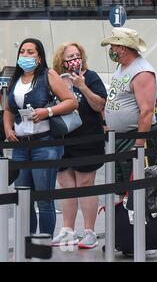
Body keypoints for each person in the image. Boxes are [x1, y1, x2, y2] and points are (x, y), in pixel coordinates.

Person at [3, 38, 77, 235]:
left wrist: (48, 112)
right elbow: (9, 109)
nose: (25, 55)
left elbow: (71, 102)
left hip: (45, 145)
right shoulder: (16, 79)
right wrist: (8, 129)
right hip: (20, 146)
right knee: (23, 198)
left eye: (30, 52)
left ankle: (43, 246)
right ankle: (26, 246)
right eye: (23, 52)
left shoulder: (48, 75)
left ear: (39, 57)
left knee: (44, 198)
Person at [50, 42, 107, 248]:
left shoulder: (90, 77)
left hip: (88, 139)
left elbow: (99, 104)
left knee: (85, 185)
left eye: (77, 55)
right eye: (69, 56)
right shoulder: (55, 79)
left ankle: (89, 231)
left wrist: (82, 86)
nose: (74, 59)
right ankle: (67, 231)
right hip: (63, 140)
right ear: (62, 61)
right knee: (66, 185)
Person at [101, 27, 157, 191]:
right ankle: (122, 216)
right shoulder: (121, 67)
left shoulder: (142, 72)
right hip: (118, 138)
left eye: (113, 46)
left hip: (134, 137)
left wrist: (139, 143)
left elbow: (147, 111)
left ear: (123, 48)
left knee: (138, 188)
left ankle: (142, 216)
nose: (111, 50)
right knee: (119, 186)